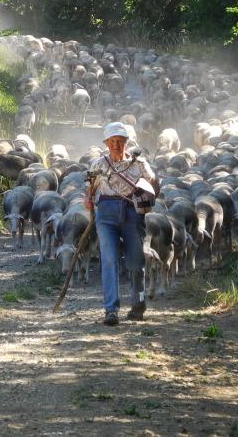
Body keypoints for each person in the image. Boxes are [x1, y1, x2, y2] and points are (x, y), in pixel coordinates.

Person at [85, 121, 158, 326]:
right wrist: (89, 199)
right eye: (112, 141)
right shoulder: (98, 164)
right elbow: (90, 189)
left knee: (135, 262)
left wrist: (146, 195)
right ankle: (111, 310)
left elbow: (152, 184)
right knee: (109, 259)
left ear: (127, 142)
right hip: (106, 214)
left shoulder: (139, 164)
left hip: (132, 213)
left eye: (120, 141)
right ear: (107, 143)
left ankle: (138, 304)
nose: (116, 145)